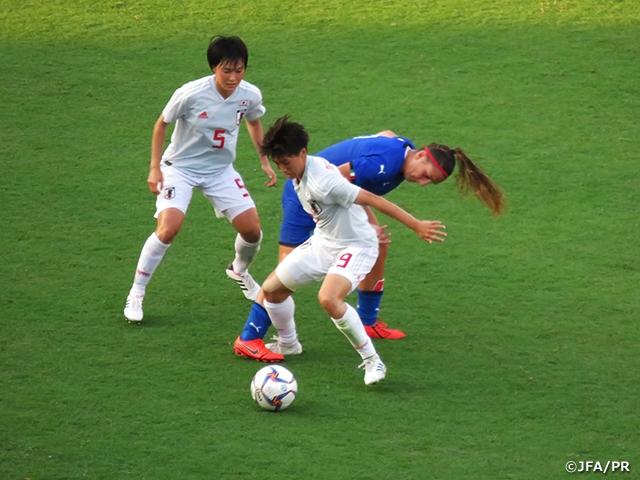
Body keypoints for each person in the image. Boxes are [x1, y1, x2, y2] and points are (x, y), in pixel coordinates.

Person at [234, 131, 505, 359]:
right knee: (284, 276)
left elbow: (384, 137)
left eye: (428, 182)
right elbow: (339, 184)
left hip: (335, 201)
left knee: (378, 246)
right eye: (425, 175)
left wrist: (369, 225)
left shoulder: (404, 150)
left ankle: (367, 320)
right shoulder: (384, 163)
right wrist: (405, 224)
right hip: (306, 200)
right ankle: (250, 337)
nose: (421, 183)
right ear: (421, 155)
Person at [237, 115, 448, 385]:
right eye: (278, 164)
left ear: (302, 153)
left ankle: (373, 362)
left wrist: (415, 224)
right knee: (271, 290)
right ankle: (289, 344)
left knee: (329, 298)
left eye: (286, 163)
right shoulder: (300, 174)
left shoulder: (324, 181)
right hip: (324, 243)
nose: (283, 170)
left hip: (356, 246)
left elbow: (369, 197)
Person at [123, 35, 277, 323]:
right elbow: (161, 124)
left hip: (220, 170)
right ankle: (137, 291)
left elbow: (254, 121)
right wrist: (155, 168)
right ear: (213, 68)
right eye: (226, 70)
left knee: (253, 232)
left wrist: (264, 160)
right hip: (179, 168)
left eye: (239, 70)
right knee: (168, 229)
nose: (233, 77)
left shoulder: (250, 95)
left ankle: (239, 270)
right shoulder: (190, 93)